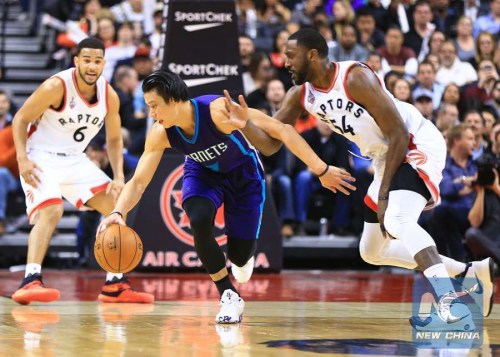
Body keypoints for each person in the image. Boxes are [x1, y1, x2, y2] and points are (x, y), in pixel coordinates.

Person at [227, 28, 495, 329]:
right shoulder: (300, 95)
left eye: (291, 56)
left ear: (312, 55)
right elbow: (272, 143)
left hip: (414, 142)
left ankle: (451, 303)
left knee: (397, 220)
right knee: (371, 251)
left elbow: (397, 132)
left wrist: (383, 196)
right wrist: (244, 124)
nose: (285, 63)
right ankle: (469, 272)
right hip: (386, 155)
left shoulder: (354, 77)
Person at [98, 70, 355, 324]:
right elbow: (139, 181)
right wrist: (118, 212)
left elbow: (282, 130)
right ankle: (228, 294)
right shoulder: (160, 132)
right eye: (148, 107)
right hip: (203, 173)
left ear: (174, 101)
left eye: (155, 106)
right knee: (198, 217)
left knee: (240, 257)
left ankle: (242, 260)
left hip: (244, 176)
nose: (151, 114)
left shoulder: (217, 110)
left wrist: (321, 169)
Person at [11, 37, 153, 305]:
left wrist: (119, 176)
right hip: (39, 157)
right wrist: (22, 159)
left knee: (115, 206)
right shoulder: (56, 86)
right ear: (76, 61)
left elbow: (113, 140)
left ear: (103, 64)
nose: (92, 66)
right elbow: (20, 118)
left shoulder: (109, 95)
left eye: (97, 61)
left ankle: (115, 283)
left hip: (74, 159)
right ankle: (30, 279)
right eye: (86, 60)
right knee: (52, 210)